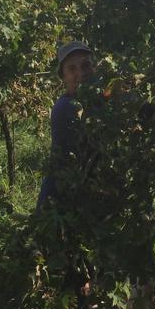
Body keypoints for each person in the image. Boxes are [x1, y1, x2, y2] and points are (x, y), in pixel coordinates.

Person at [36, 40, 95, 214]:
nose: (81, 73)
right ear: (63, 77)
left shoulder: (97, 100)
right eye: (72, 69)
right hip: (61, 198)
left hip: (85, 195)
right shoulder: (66, 107)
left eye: (86, 65)